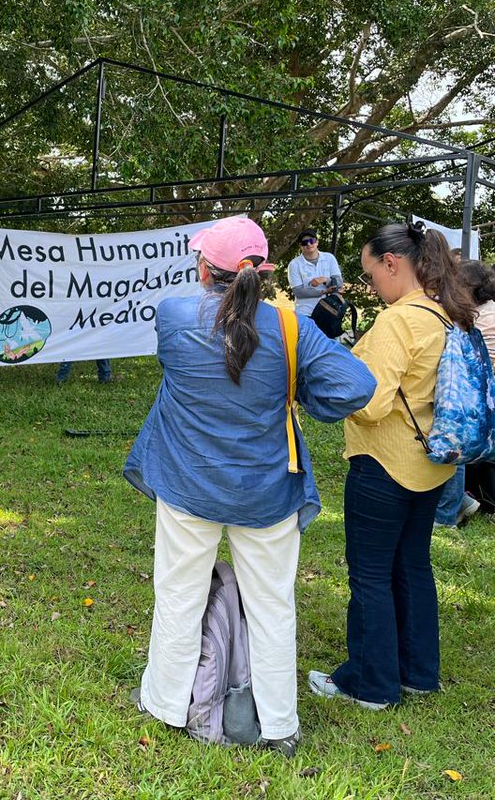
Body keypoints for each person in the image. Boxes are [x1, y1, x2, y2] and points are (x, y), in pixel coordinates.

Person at [124, 217, 375, 756]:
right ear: (264, 273)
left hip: (189, 480)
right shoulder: (290, 327)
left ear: (203, 269)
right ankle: (279, 725)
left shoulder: (174, 315)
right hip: (266, 488)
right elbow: (356, 386)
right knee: (272, 605)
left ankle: (166, 704)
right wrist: (298, 392)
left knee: (179, 594)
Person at [309, 222, 474, 711]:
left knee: (371, 575)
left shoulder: (399, 321)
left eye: (370, 273)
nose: (370, 284)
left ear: (392, 263)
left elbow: (370, 402)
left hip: (385, 464)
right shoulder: (446, 313)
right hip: (432, 465)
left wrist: (330, 390)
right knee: (413, 565)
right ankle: (418, 672)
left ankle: (370, 684)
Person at [434, 259, 495, 527]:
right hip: (482, 392)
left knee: (453, 443)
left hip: (474, 394)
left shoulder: (475, 317)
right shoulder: (488, 310)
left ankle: (448, 512)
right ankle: (463, 501)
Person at [288, 229, 343, 318]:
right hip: (305, 313)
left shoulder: (329, 258)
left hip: (329, 310)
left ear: (317, 242)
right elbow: (298, 292)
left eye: (311, 241)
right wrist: (323, 292)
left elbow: (339, 283)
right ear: (300, 246)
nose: (309, 244)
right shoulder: (294, 264)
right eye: (304, 243)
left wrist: (325, 280)